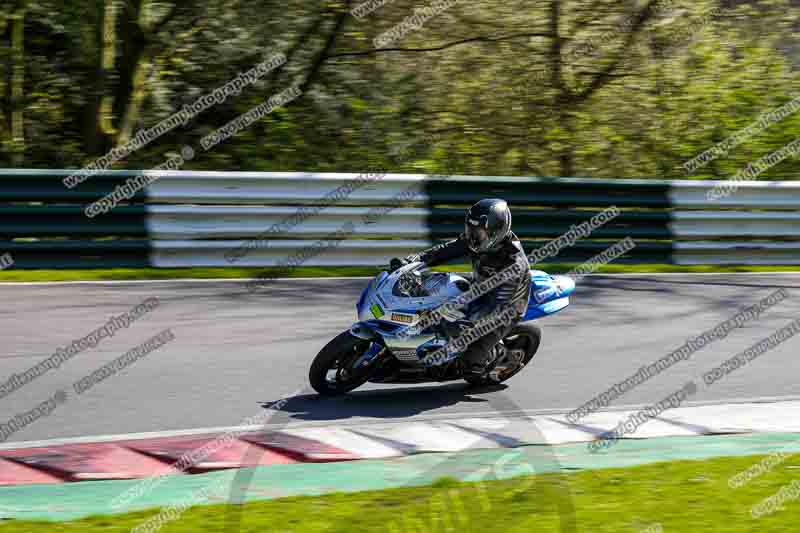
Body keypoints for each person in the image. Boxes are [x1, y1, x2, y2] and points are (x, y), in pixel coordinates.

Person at [389, 198, 531, 378]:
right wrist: (416, 260)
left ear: (496, 232)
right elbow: (445, 251)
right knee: (430, 289)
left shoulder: (513, 264)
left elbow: (494, 308)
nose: (472, 237)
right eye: (470, 230)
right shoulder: (480, 241)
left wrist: (460, 324)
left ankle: (496, 358)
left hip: (506, 307)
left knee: (469, 364)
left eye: (478, 233)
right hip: (480, 285)